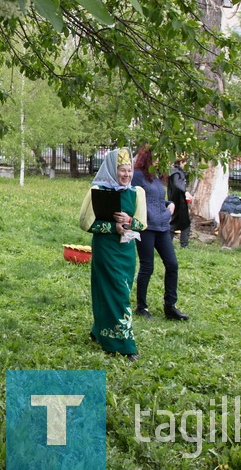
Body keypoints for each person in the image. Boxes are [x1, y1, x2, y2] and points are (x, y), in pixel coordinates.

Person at [79, 148, 147, 360]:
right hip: (106, 250)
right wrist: (112, 227)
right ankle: (125, 344)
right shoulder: (97, 191)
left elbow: (142, 224)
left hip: (126, 252)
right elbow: (85, 223)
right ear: (112, 169)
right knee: (114, 292)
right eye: (121, 170)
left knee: (119, 291)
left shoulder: (137, 193)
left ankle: (99, 330)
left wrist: (129, 222)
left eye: (129, 170)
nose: (126, 175)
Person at [133, 145, 189, 321]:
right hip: (146, 228)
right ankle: (141, 307)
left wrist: (167, 204)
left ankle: (170, 306)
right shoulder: (137, 175)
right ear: (147, 156)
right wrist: (167, 211)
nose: (160, 159)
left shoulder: (156, 176)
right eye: (157, 155)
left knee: (172, 265)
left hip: (162, 227)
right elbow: (137, 201)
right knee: (147, 267)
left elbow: (155, 199)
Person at [167, 156, 192, 248]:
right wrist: (185, 192)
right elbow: (177, 184)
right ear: (181, 162)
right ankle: (182, 244)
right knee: (178, 223)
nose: (185, 165)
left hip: (176, 200)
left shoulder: (174, 171)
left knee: (181, 222)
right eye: (184, 163)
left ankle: (175, 244)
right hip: (179, 201)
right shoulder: (176, 173)